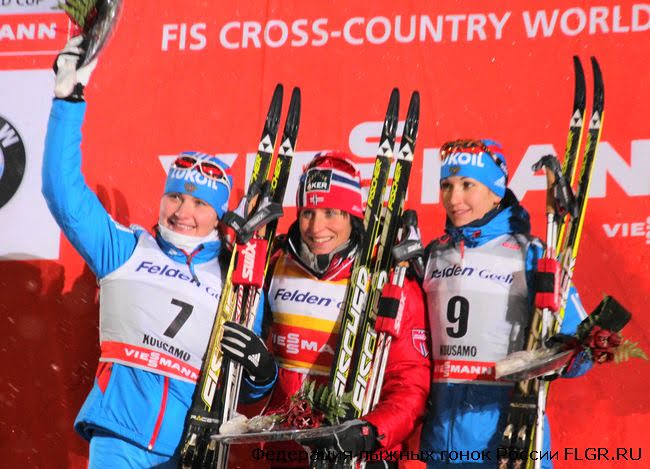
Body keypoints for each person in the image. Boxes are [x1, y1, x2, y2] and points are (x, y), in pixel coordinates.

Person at [42, 36, 275, 468]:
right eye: (175, 197)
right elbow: (62, 192)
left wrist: (263, 374)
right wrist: (68, 99)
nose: (182, 212)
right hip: (118, 438)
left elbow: (241, 386)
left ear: (219, 213)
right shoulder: (125, 250)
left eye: (200, 203)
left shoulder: (236, 280)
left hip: (191, 448)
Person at [221, 151, 431, 468]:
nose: (316, 227)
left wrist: (370, 432)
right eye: (308, 212)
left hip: (356, 455)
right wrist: (259, 376)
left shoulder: (387, 279)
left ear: (352, 216)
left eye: (331, 212)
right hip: (285, 452)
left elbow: (410, 382)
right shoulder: (274, 265)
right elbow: (247, 384)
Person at [418, 139, 592, 468]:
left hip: (511, 443)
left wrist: (554, 356)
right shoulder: (433, 255)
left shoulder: (532, 254)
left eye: (468, 185)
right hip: (442, 446)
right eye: (446, 185)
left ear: (496, 191)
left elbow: (581, 350)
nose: (454, 199)